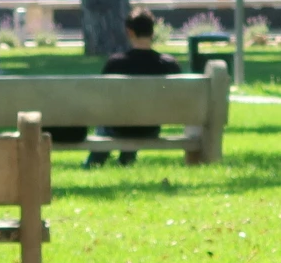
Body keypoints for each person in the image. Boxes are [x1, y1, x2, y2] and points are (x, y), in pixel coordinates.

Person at [48, 11, 182, 167]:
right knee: (134, 117)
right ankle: (125, 161)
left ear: (129, 32)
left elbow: (103, 100)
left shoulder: (116, 63)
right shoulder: (170, 65)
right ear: (152, 32)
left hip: (119, 127)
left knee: (112, 123)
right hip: (151, 128)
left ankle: (92, 164)